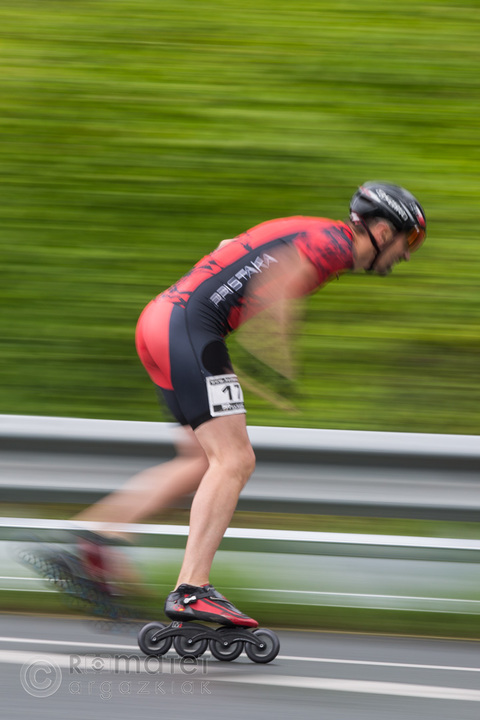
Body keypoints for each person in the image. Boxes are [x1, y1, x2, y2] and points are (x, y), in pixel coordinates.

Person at [70, 181, 426, 627]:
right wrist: (274, 358)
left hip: (162, 320)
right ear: (382, 230)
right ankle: (192, 589)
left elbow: (230, 247)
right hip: (191, 331)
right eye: (409, 240)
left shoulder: (315, 230)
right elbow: (281, 282)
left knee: (200, 460)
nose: (407, 254)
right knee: (235, 459)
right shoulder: (333, 246)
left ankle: (98, 535)